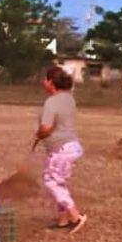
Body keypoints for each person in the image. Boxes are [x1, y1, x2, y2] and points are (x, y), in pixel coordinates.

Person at [34, 66, 87, 233]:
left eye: (45, 79)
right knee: (59, 182)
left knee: (51, 182)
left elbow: (46, 127)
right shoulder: (69, 98)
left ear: (51, 82)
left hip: (60, 149)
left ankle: (76, 215)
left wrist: (40, 134)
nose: (43, 82)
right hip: (72, 146)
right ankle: (63, 220)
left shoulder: (51, 102)